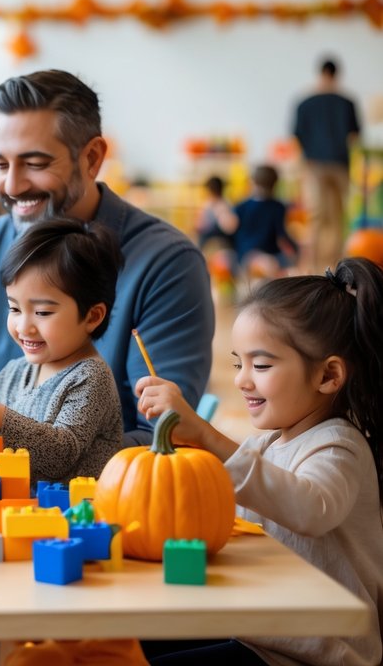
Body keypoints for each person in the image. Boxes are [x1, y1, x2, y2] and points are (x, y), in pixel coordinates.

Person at [0, 70, 214, 446]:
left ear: (92, 158)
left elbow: (159, 438)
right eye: (1, 165)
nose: (12, 187)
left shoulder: (167, 266)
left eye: (35, 164)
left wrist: (24, 450)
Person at [135, 258, 383, 666]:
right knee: (130, 642)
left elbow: (309, 508)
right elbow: (236, 502)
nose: (241, 380)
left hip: (317, 654)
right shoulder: (267, 443)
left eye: (261, 365)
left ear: (328, 376)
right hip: (261, 634)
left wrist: (207, 435)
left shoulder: (340, 446)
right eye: (239, 363)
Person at [0, 218, 124, 485]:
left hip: (72, 515)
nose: (24, 326)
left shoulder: (91, 377)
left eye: (43, 312)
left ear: (93, 316)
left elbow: (61, 454)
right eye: (14, 309)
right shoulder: (15, 372)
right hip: (13, 508)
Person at [293, 57, 360, 273]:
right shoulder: (347, 102)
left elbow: (297, 135)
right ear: (336, 74)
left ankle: (314, 267)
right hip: (340, 165)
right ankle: (339, 264)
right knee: (339, 216)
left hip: (315, 167)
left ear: (320, 73)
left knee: (317, 217)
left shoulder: (305, 103)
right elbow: (355, 135)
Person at [231, 164, 297, 280]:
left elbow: (231, 228)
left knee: (266, 266)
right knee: (277, 267)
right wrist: (295, 250)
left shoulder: (242, 206)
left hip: (248, 253)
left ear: (253, 183)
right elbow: (282, 237)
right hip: (267, 254)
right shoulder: (278, 207)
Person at [195, 175, 237, 252]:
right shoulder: (208, 204)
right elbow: (199, 225)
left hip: (219, 243)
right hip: (208, 242)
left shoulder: (223, 206)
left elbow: (229, 228)